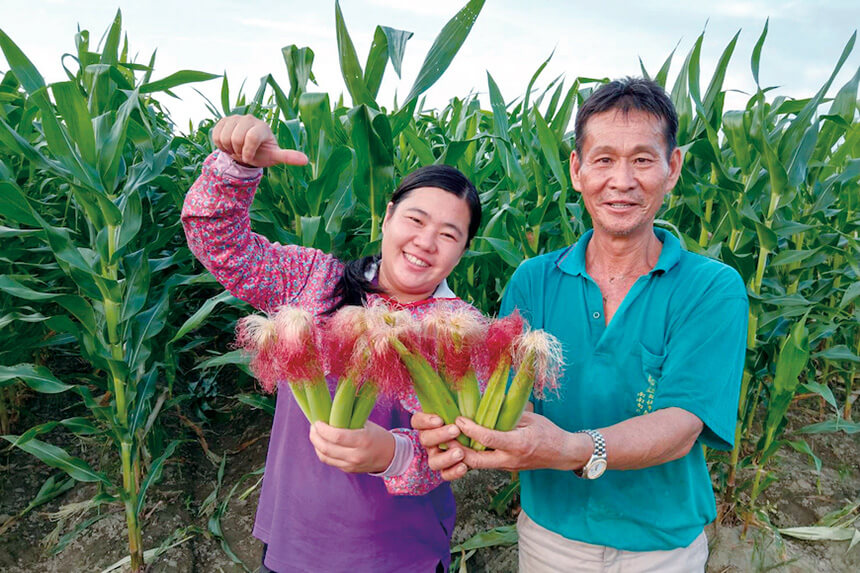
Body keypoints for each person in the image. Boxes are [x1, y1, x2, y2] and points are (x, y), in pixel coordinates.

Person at [413, 77, 748, 571]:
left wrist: (572, 448)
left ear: (672, 168)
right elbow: (510, 399)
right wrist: (464, 434)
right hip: (551, 538)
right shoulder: (533, 281)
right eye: (604, 159)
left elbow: (681, 426)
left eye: (642, 159)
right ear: (576, 169)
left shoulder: (711, 288)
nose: (622, 181)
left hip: (662, 548)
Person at [181, 114, 482, 573]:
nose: (425, 242)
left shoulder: (464, 330)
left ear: (464, 250)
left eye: (448, 235)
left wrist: (391, 454)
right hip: (295, 544)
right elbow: (221, 245)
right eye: (415, 220)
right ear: (387, 216)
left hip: (402, 557)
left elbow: (460, 449)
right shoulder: (316, 282)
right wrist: (235, 169)